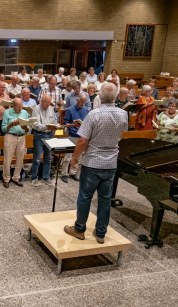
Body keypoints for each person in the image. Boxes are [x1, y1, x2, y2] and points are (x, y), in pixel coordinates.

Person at [63, 83, 128, 243]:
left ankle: (79, 230)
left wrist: (74, 159)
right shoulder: (123, 114)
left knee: (85, 197)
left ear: (99, 97)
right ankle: (100, 233)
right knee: (105, 200)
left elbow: (83, 140)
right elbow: (121, 132)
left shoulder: (93, 114)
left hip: (92, 162)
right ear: (115, 96)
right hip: (111, 162)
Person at [1, 98, 30, 188]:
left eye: (21, 106)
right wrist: (11, 125)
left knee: (20, 159)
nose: (20, 108)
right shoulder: (7, 112)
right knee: (8, 159)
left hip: (21, 137)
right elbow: (3, 128)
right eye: (18, 106)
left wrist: (25, 127)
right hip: (10, 136)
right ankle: (6, 178)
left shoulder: (24, 113)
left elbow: (28, 128)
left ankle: (16, 177)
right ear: (13, 105)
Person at [62, 92, 90, 182]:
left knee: (79, 156)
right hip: (72, 135)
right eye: (81, 102)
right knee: (68, 156)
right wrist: (74, 125)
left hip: (82, 135)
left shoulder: (86, 110)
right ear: (77, 100)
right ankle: (64, 173)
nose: (82, 104)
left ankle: (73, 172)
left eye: (84, 102)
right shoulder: (70, 109)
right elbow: (65, 124)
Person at [31, 95, 58, 186]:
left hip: (49, 135)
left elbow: (54, 120)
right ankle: (34, 177)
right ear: (41, 101)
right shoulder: (36, 109)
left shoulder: (51, 108)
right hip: (39, 135)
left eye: (49, 102)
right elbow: (35, 124)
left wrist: (57, 126)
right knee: (37, 158)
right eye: (46, 102)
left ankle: (46, 177)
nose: (48, 104)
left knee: (48, 158)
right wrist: (46, 126)